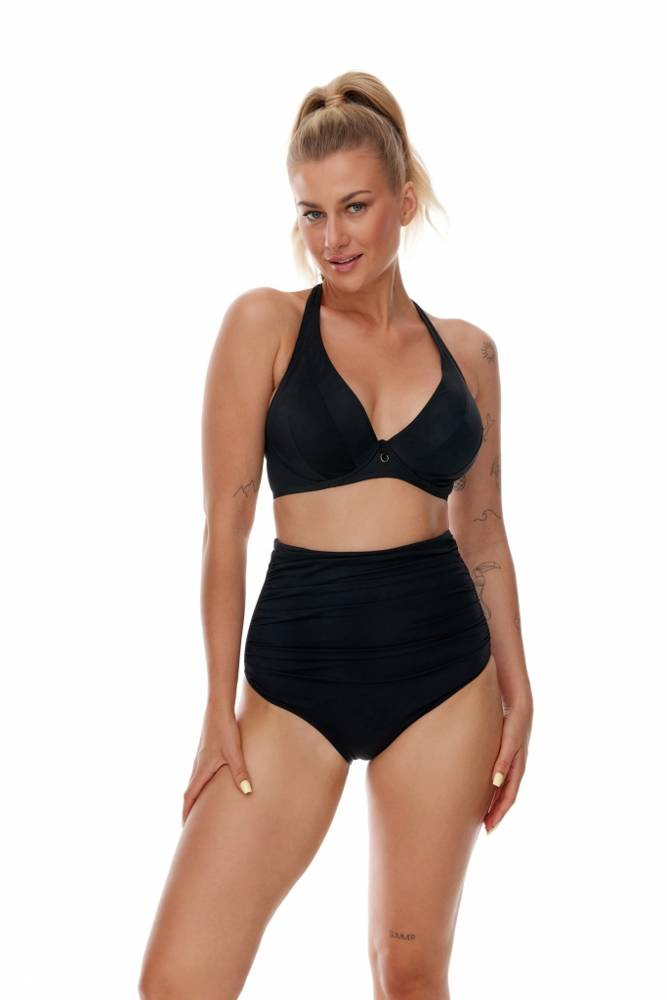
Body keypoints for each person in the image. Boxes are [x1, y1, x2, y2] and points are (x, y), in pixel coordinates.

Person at [139, 70, 533, 1000]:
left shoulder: (469, 353)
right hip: (294, 681)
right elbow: (225, 529)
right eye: (312, 213)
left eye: (354, 207)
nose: (332, 238)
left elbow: (482, 531)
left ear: (405, 200)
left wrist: (518, 691)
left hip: (446, 681)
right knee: (178, 981)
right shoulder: (265, 325)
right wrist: (216, 708)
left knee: (409, 972)